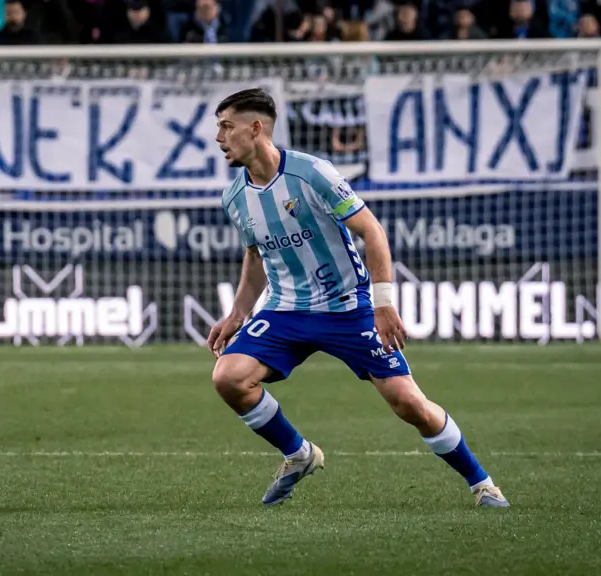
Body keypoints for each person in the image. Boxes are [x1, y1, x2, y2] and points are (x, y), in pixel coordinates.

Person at [207, 88, 510, 508]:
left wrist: (383, 303)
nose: (219, 137)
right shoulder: (234, 197)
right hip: (286, 310)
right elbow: (256, 256)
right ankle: (298, 454)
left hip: (348, 308)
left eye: (226, 126)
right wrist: (237, 312)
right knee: (228, 377)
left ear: (256, 128)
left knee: (409, 404)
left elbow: (372, 232)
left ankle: (483, 485)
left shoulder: (312, 173)